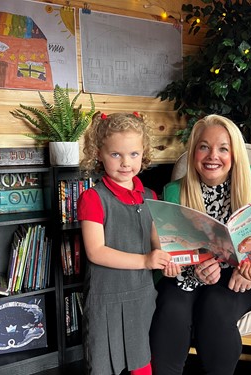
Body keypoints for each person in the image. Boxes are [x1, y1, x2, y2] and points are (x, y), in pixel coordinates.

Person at [149, 114, 251, 375]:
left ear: (234, 154)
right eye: (204, 147)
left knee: (215, 306)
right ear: (194, 151)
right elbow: (169, 247)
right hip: (190, 274)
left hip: (242, 276)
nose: (212, 156)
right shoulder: (174, 191)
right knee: (170, 308)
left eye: (223, 148)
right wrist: (191, 265)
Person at [77, 112, 175, 375]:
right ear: (99, 153)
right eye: (115, 155)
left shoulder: (150, 196)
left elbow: (159, 242)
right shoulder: (92, 198)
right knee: (102, 365)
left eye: (133, 154)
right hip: (105, 299)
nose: (125, 163)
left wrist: (168, 260)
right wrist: (145, 261)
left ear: (143, 153)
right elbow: (95, 252)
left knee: (142, 364)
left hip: (141, 297)